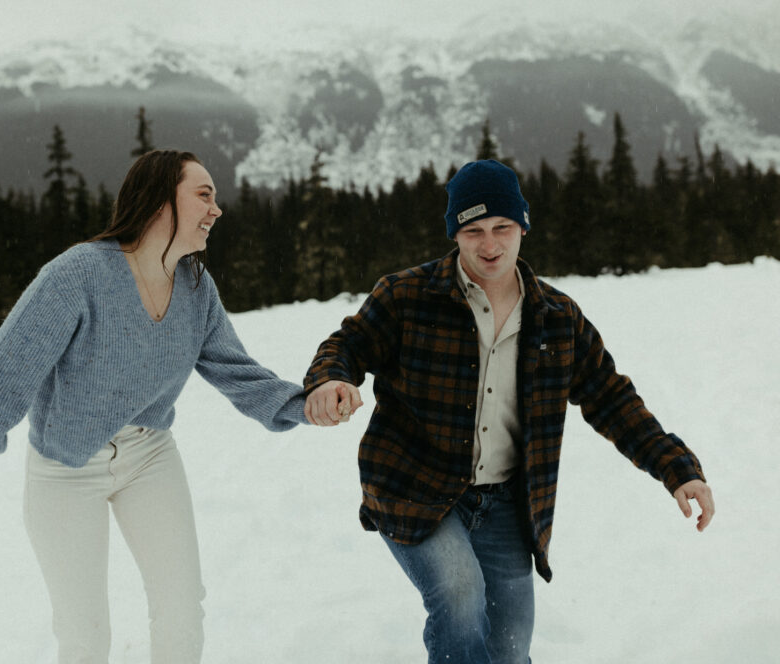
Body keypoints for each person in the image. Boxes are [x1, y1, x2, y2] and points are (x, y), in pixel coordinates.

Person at [303, 159, 715, 664]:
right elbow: (347, 345)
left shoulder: (557, 318)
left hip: (506, 505)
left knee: (510, 648)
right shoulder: (408, 297)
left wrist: (678, 470)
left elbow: (611, 397)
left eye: (501, 227)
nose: (490, 244)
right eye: (473, 230)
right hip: (414, 487)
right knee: (458, 596)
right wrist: (330, 379)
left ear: (523, 225)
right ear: (455, 234)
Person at [0, 150, 322, 664]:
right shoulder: (79, 273)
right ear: (160, 200)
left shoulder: (195, 287)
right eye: (204, 195)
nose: (217, 210)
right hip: (65, 467)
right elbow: (12, 362)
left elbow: (235, 370)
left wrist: (303, 405)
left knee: (182, 606)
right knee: (85, 633)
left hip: (149, 457)